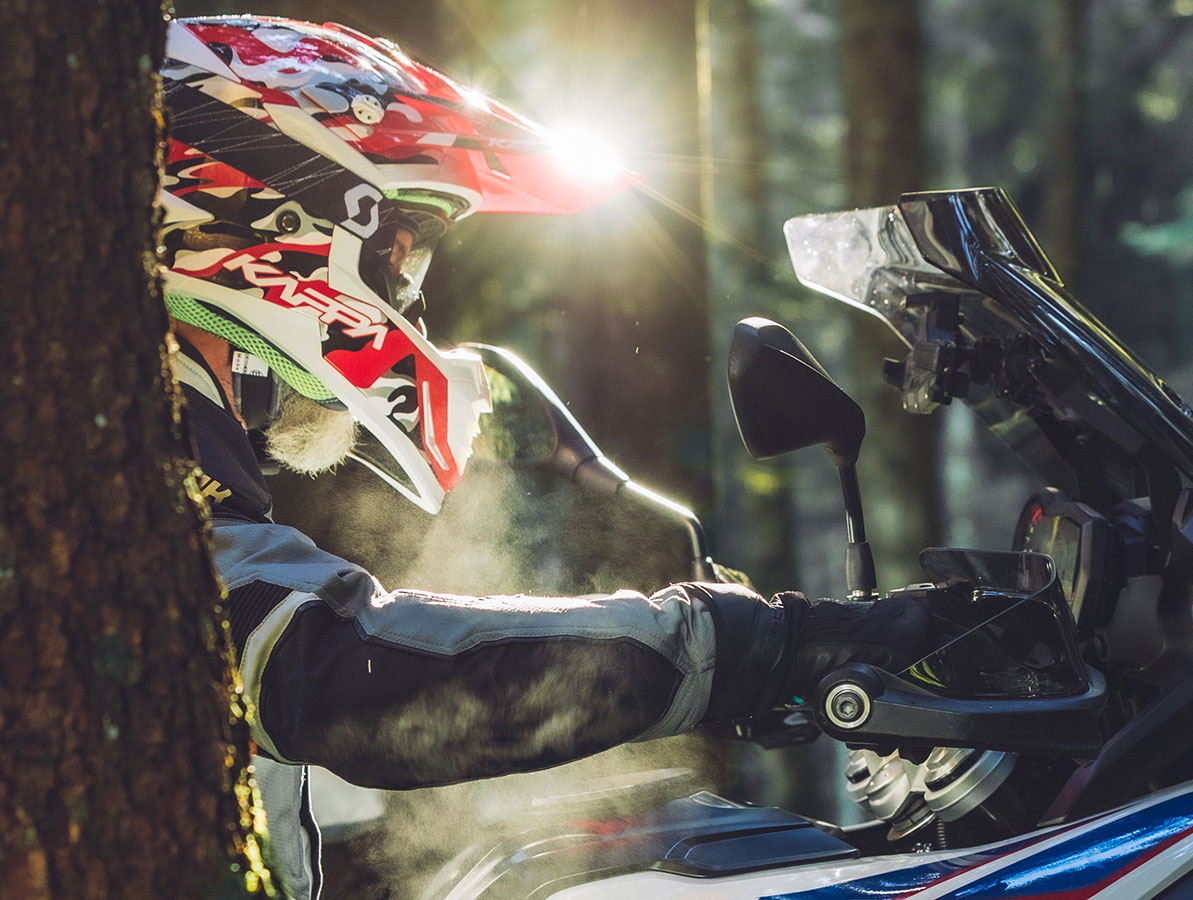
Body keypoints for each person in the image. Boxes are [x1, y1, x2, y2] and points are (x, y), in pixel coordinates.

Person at [158, 16, 931, 899]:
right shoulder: (130, 459)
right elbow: (330, 675)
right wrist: (760, 643)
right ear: (269, 222)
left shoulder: (159, 427)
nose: (409, 292)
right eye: (401, 246)